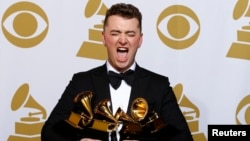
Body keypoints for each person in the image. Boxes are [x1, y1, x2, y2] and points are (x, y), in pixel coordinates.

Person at [41, 3, 194, 141]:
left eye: (130, 33)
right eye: (115, 33)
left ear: (140, 40)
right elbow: (49, 132)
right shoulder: (81, 82)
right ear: (104, 38)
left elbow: (183, 137)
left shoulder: (159, 85)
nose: (123, 40)